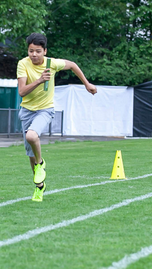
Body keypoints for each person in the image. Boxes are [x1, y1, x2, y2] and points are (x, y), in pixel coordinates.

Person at [17, 32, 96, 202]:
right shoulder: (23, 64)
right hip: (26, 111)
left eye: (38, 51)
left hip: (45, 109)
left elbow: (73, 65)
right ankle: (39, 187)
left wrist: (87, 84)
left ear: (44, 51)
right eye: (31, 51)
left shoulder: (53, 64)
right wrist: (39, 80)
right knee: (30, 155)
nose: (34, 55)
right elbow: (22, 92)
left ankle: (41, 164)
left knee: (32, 136)